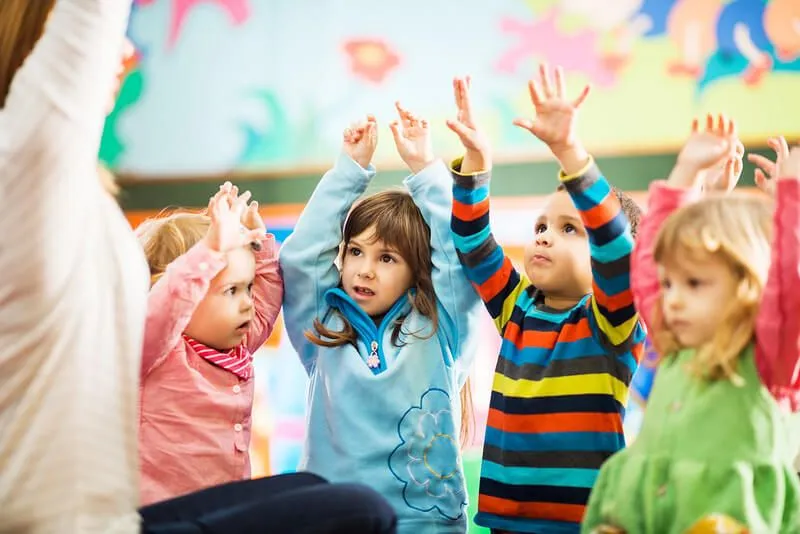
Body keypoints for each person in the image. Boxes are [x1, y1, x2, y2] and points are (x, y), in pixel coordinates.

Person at [0, 1, 397, 532]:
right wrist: (209, 251)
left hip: (110, 514)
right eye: (111, 40)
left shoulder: (227, 346)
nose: (126, 52)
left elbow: (261, 297)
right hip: (75, 521)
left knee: (313, 488)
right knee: (362, 510)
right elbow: (156, 319)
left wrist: (255, 247)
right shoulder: (26, 168)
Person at [446, 66, 645, 533]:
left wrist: (570, 154)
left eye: (568, 228)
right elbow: (473, 242)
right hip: (505, 520)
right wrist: (477, 160)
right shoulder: (519, 308)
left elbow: (617, 250)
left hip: (586, 522)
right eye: (540, 227)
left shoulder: (610, 323)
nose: (544, 238)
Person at [582, 115, 800, 533]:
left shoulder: (769, 357)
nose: (673, 297)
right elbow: (648, 265)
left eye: (695, 283)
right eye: (670, 283)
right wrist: (686, 172)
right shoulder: (676, 342)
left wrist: (790, 200)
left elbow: (790, 286)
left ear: (747, 284)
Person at [279, 106, 481, 533]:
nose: (364, 269)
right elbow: (300, 260)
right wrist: (349, 171)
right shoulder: (324, 327)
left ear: (418, 269)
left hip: (424, 526)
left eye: (386, 258)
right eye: (355, 251)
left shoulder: (440, 329)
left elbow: (459, 262)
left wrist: (426, 168)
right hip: (332, 518)